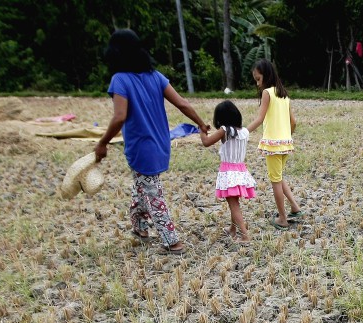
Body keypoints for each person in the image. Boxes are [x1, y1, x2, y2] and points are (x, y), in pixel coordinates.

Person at [94, 29, 208, 254]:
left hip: (141, 148)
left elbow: (119, 116)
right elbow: (182, 104)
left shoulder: (120, 80)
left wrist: (103, 142)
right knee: (141, 187)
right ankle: (139, 228)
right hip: (160, 144)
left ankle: (172, 241)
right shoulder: (156, 76)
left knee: (153, 194)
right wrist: (201, 123)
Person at [246, 59, 302, 230]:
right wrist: (286, 137)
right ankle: (295, 208)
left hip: (273, 146)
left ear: (266, 76)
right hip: (285, 144)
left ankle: (283, 219)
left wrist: (243, 132)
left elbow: (260, 118)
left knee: (275, 181)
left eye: (258, 79)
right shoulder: (284, 95)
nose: (257, 83)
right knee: (279, 177)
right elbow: (293, 122)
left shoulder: (267, 93)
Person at [200, 100, 256, 244]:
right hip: (241, 171)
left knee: (233, 204)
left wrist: (202, 130)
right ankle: (233, 228)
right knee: (234, 201)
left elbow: (206, 142)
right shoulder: (244, 132)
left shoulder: (224, 130)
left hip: (229, 172)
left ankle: (245, 236)